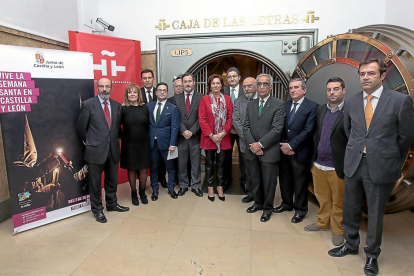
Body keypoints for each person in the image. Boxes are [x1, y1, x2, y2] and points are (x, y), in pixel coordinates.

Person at [328, 58, 414, 276]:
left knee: (375, 213)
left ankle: (372, 254)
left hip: (380, 165)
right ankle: (350, 244)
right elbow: (349, 131)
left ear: (382, 75)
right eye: (362, 74)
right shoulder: (353, 101)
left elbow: (405, 138)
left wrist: (391, 160)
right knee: (351, 207)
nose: (365, 78)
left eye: (371, 73)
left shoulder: (399, 101)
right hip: (354, 163)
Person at [77, 77, 129, 223]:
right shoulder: (88, 104)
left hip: (112, 149)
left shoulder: (117, 106)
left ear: (111, 89)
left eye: (107, 87)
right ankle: (97, 209)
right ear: (97, 88)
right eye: (101, 86)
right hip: (95, 151)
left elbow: (116, 128)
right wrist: (90, 142)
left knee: (112, 180)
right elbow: (81, 128)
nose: (104, 89)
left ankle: (112, 204)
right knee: (95, 182)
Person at [304, 77, 347, 246]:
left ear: (343, 90)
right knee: (322, 197)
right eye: (329, 89)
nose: (332, 92)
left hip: (336, 165)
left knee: (339, 201)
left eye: (336, 89)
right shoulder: (321, 110)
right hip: (318, 163)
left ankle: (338, 230)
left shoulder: (349, 111)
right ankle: (322, 222)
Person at [274, 78, 318, 223]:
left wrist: (291, 146)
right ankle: (286, 204)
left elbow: (308, 130)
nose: (293, 90)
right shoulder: (284, 105)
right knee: (285, 179)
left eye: (296, 87)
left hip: (300, 151)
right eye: (291, 88)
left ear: (304, 90)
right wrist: (283, 145)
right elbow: (279, 126)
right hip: (283, 150)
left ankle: (300, 210)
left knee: (300, 182)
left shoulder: (312, 106)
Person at [243, 74, 285, 222]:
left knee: (269, 182)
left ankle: (268, 208)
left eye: (265, 84)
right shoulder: (251, 104)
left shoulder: (279, 104)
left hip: (269, 151)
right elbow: (246, 127)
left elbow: (277, 129)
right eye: (259, 84)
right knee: (255, 179)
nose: (261, 87)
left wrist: (259, 145)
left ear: (271, 87)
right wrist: (253, 145)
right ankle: (258, 203)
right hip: (253, 151)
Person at [199, 74, 233, 201]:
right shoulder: (204, 99)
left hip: (223, 137)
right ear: (209, 85)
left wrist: (223, 133)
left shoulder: (228, 99)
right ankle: (210, 187)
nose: (215, 85)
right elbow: (202, 119)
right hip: (209, 137)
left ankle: (220, 186)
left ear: (221, 85)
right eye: (213, 83)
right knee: (208, 164)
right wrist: (212, 135)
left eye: (218, 83)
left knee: (221, 163)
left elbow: (230, 118)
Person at [147, 82, 181, 200]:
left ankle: (171, 188)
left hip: (167, 144)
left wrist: (173, 144)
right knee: (154, 167)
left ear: (167, 92)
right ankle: (155, 190)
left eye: (164, 90)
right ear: (156, 92)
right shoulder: (149, 106)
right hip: (152, 143)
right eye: (160, 90)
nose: (162, 92)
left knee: (170, 167)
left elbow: (175, 127)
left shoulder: (173, 108)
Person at [120, 83, 151, 206]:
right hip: (129, 144)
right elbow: (117, 128)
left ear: (139, 95)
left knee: (143, 169)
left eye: (135, 92)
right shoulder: (123, 109)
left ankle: (142, 192)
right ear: (127, 95)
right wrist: (125, 138)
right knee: (132, 169)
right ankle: (133, 193)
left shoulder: (145, 108)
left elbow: (149, 125)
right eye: (130, 92)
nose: (132, 94)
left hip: (144, 144)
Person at [174, 73, 203, 197]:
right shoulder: (176, 98)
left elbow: (202, 117)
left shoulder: (201, 97)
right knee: (182, 162)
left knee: (196, 162)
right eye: (185, 82)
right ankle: (183, 185)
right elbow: (175, 117)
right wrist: (183, 130)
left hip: (195, 136)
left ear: (194, 82)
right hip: (181, 137)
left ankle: (196, 185)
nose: (187, 84)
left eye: (189, 81)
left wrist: (192, 130)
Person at [141, 69, 167, 188]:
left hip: (159, 133)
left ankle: (162, 178)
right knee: (150, 160)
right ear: (142, 80)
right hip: (143, 132)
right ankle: (150, 182)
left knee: (160, 158)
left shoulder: (160, 91)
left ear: (153, 79)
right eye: (144, 78)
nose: (147, 80)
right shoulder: (137, 93)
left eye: (149, 78)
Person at [233, 77, 257, 203]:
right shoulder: (238, 101)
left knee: (260, 170)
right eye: (245, 86)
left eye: (250, 86)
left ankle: (260, 194)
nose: (247, 88)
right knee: (247, 169)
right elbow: (236, 121)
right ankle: (250, 192)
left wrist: (258, 141)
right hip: (245, 142)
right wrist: (249, 140)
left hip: (261, 144)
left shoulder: (262, 100)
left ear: (256, 86)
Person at [223, 67, 245, 191]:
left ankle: (244, 181)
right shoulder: (222, 90)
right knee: (226, 157)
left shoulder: (245, 89)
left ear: (239, 77)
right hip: (226, 131)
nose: (232, 78)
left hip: (242, 130)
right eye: (229, 76)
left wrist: (238, 128)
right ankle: (226, 180)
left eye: (234, 76)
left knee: (244, 156)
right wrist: (229, 127)